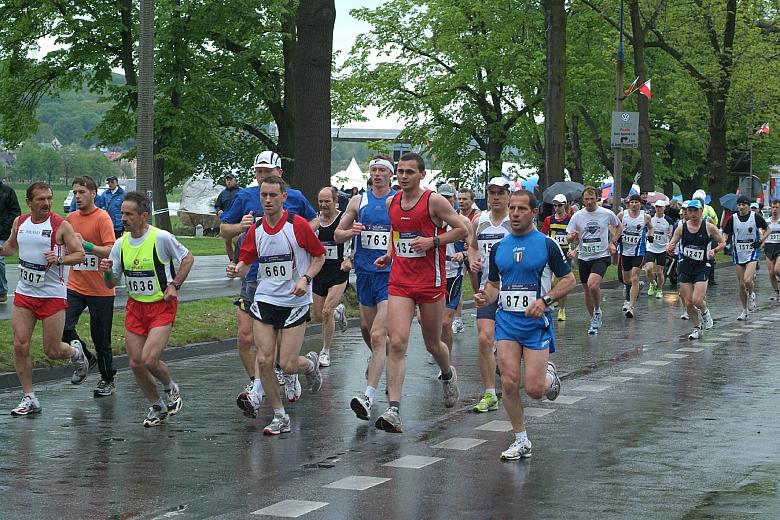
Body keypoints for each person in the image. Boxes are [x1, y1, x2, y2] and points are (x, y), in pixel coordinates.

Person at [474, 189, 575, 460]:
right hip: (507, 322)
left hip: (535, 324)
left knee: (534, 390)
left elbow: (569, 281)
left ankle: (549, 376)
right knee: (508, 382)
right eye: (513, 209)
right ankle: (521, 440)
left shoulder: (546, 245)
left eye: (521, 209)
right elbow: (494, 285)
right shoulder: (499, 247)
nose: (515, 213)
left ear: (533, 213)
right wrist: (485, 296)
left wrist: (545, 300)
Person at [373, 152, 468, 433]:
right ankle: (394, 409)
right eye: (400, 171)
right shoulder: (392, 202)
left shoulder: (434, 201)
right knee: (398, 342)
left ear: (422, 175)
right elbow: (397, 232)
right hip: (400, 282)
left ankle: (448, 374)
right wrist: (390, 254)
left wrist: (432, 241)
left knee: (432, 344)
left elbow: (463, 229)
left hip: (430, 282)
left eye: (409, 172)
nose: (403, 176)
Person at [230, 176, 326, 435]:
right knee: (263, 359)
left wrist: (306, 279)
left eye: (273, 195)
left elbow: (319, 256)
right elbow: (247, 262)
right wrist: (236, 268)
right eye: (264, 195)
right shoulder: (256, 229)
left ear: (284, 197)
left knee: (288, 364)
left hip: (295, 301)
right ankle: (279, 415)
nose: (268, 200)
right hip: (266, 299)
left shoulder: (298, 226)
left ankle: (310, 364)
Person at [221, 151, 317, 397]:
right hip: (254, 276)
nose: (263, 175)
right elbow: (225, 230)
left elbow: (315, 222)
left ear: (279, 174)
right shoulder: (244, 196)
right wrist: (240, 228)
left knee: (283, 349)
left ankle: (290, 372)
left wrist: (299, 239)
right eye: (259, 171)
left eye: (267, 171)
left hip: (289, 282)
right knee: (245, 337)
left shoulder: (293, 197)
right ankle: (257, 387)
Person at [100, 191, 194, 426]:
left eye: (129, 214)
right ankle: (157, 407)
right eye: (122, 213)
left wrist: (175, 285)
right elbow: (110, 283)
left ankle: (171, 388)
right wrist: (107, 270)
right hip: (135, 307)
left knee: (150, 359)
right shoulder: (121, 244)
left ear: (144, 216)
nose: (123, 218)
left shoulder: (161, 238)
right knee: (135, 363)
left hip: (161, 306)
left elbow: (188, 258)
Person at [0, 182, 87, 416]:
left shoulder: (61, 225)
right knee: (20, 345)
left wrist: (60, 259)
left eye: (49, 198)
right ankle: (29, 397)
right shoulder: (21, 223)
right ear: (29, 202)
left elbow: (79, 254)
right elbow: (10, 247)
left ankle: (76, 353)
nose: (46, 203)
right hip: (25, 293)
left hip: (52, 295)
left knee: (52, 350)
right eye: (40, 199)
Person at [336, 155, 395, 422]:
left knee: (377, 335)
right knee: (366, 330)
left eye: (383, 170)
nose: (378, 174)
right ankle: (382, 362)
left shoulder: (396, 201)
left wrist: (393, 252)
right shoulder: (358, 201)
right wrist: (351, 232)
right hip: (365, 275)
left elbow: (403, 234)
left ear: (391, 175)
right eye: (374, 170)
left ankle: (368, 396)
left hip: (389, 277)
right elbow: (338, 234)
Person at [63, 176, 118, 396]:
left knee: (101, 337)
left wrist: (85, 245)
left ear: (93, 194)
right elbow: (65, 248)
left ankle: (108, 379)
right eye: (75, 192)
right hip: (75, 285)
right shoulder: (71, 218)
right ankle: (86, 356)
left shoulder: (102, 218)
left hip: (101, 289)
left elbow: (111, 250)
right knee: (62, 327)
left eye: (82, 192)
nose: (77, 196)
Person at [468, 177, 512, 414]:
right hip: (488, 288)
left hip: (514, 289)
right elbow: (473, 246)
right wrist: (473, 258)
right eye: (491, 193)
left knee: (511, 343)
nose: (495, 197)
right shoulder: (481, 220)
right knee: (484, 339)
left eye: (499, 193)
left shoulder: (514, 221)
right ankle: (489, 393)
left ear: (508, 195)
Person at [667, 199, 724, 339]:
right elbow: (673, 242)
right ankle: (697, 327)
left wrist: (715, 251)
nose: (692, 214)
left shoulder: (709, 227)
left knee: (697, 300)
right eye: (690, 211)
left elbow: (723, 242)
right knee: (687, 302)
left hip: (702, 267)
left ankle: (705, 313)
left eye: (695, 211)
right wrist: (671, 246)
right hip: (685, 267)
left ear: (701, 211)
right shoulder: (681, 228)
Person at [566, 186, 620, 334]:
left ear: (597, 198)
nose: (589, 202)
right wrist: (572, 237)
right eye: (586, 199)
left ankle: (597, 310)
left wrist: (612, 242)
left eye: (592, 198)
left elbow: (619, 227)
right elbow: (569, 236)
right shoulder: (577, 216)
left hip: (601, 256)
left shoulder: (606, 213)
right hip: (584, 256)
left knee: (592, 285)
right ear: (583, 200)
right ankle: (593, 321)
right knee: (586, 290)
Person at [312, 186, 350, 368]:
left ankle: (325, 351)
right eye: (320, 201)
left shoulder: (344, 219)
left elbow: (355, 240)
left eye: (327, 201)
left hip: (339, 271)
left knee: (326, 311)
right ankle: (338, 312)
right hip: (319, 271)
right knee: (319, 316)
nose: (323, 205)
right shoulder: (315, 221)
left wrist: (350, 259)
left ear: (336, 201)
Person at [437, 183, 471, 355]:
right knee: (423, 319)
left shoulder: (463, 222)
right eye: (441, 197)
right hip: (432, 274)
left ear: (454, 200)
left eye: (448, 198)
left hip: (453, 274)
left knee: (445, 322)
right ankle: (436, 345)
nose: (444, 201)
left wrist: (463, 255)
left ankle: (446, 361)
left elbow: (473, 248)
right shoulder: (429, 219)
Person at [723, 195, 768, 320]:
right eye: (739, 205)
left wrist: (761, 240)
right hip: (738, 253)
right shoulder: (733, 218)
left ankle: (752, 292)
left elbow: (768, 229)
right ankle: (744, 310)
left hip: (752, 252)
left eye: (744, 205)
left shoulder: (755, 217)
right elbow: (726, 232)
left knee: (748, 280)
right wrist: (724, 240)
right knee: (741, 285)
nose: (741, 207)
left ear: (748, 205)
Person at [616, 194, 653, 318]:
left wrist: (650, 235)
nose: (634, 204)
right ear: (628, 203)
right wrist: (617, 236)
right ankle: (638, 287)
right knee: (627, 280)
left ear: (640, 204)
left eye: (636, 202)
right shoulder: (622, 215)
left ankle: (631, 306)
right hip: (624, 251)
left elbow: (650, 228)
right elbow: (612, 225)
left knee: (635, 277)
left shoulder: (645, 217)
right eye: (632, 202)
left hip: (638, 251)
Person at [539, 193, 573, 321]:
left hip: (565, 253)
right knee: (551, 282)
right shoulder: (549, 219)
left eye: (560, 205)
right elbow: (543, 235)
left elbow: (576, 236)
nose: (557, 208)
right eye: (555, 205)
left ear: (565, 205)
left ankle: (562, 310)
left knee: (563, 282)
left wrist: (574, 250)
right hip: (552, 254)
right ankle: (555, 296)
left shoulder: (570, 219)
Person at [455, 187, 481, 333]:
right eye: (459, 198)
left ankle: (481, 313)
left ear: (472, 201)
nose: (461, 201)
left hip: (473, 255)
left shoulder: (477, 216)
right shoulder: (454, 216)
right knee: (457, 286)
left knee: (477, 288)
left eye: (465, 199)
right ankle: (458, 319)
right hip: (459, 255)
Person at [644, 200, 673, 299]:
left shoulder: (668, 220)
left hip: (662, 248)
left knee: (660, 272)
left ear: (664, 208)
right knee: (649, 269)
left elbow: (670, 234)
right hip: (651, 247)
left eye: (660, 207)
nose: (658, 209)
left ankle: (660, 289)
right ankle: (652, 283)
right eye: (657, 207)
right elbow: (646, 230)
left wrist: (669, 245)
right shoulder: (650, 218)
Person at [0, 177, 21, 303]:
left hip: (2, 234)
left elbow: (15, 212)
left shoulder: (8, 192)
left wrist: (3, 227)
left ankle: (1, 290)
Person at [216, 172, 242, 258]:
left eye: (230, 179)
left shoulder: (241, 191)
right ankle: (232, 260)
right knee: (227, 241)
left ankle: (239, 259)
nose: (228, 182)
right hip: (226, 220)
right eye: (227, 180)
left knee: (236, 241)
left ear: (235, 180)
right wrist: (218, 210)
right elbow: (217, 205)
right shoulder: (223, 193)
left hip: (238, 220)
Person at [760, 199, 780, 301]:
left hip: (779, 247)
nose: (775, 209)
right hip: (769, 248)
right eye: (773, 207)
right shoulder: (766, 222)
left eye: (777, 207)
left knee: (777, 270)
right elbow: (763, 235)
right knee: (771, 272)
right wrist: (761, 244)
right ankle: (776, 292)